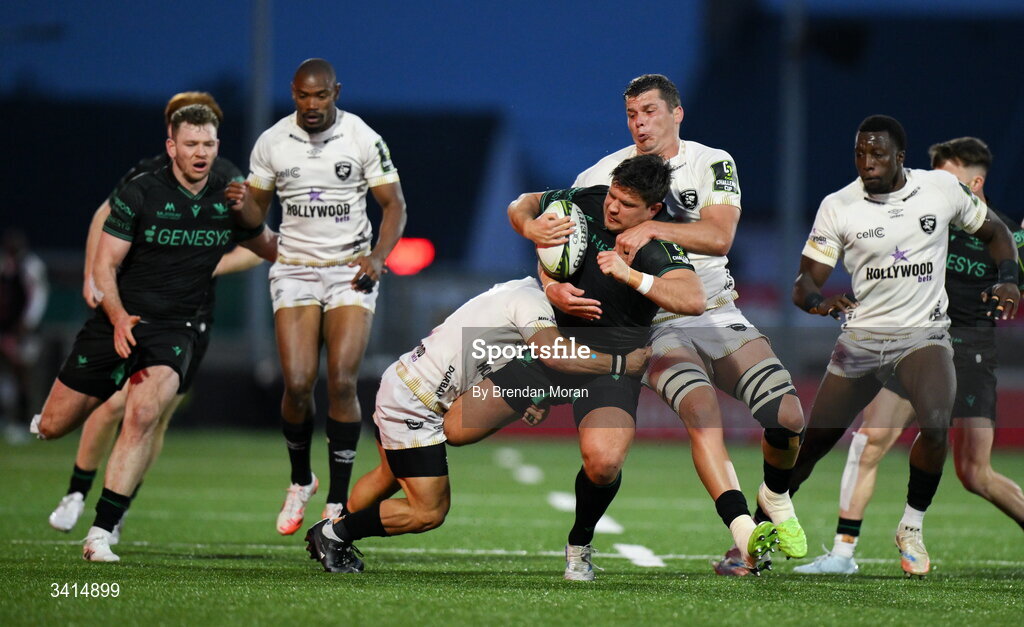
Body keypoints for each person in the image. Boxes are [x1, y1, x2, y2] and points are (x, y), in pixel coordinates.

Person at [563, 74, 805, 574]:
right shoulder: (602, 174)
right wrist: (549, 285)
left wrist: (651, 225)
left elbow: (719, 237)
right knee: (702, 414)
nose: (639, 123)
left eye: (649, 111)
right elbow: (561, 241)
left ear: (677, 113)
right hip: (655, 322)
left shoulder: (711, 161)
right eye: (631, 114)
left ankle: (775, 499)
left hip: (716, 310)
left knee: (788, 419)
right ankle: (744, 535)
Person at [32, 104, 277, 562]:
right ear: (171, 144)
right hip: (120, 318)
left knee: (145, 414)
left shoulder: (231, 190)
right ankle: (74, 487)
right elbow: (105, 257)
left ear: (217, 146)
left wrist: (313, 251)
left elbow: (269, 247)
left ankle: (102, 530)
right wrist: (115, 310)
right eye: (191, 144)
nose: (200, 152)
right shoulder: (142, 188)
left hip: (179, 326)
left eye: (207, 144)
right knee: (54, 426)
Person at [790, 117, 1019, 578]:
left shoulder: (986, 222)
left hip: (970, 349)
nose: (934, 178)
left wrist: (1009, 282)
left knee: (974, 471)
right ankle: (840, 550)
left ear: (972, 183)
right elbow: (811, 278)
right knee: (863, 440)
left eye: (947, 172)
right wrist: (824, 299)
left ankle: (910, 526)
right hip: (905, 342)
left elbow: (1003, 246)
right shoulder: (880, 206)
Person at [304, 277, 650, 573]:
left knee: (387, 475)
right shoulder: (530, 302)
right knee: (428, 512)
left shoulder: (518, 292)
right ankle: (334, 534)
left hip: (407, 382)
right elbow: (554, 353)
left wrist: (534, 399)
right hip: (415, 402)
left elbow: (505, 358)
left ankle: (332, 527)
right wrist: (621, 362)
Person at [501, 154, 725, 581]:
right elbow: (522, 203)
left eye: (626, 203)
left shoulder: (656, 246)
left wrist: (629, 275)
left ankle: (579, 542)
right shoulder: (588, 199)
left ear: (653, 211)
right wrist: (533, 233)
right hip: (552, 344)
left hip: (612, 362)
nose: (613, 207)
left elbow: (693, 298)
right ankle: (344, 523)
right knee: (456, 428)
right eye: (614, 195)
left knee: (604, 462)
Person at [234, 58, 407, 535]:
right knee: (296, 382)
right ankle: (300, 480)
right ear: (293, 94)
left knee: (343, 381)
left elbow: (394, 205)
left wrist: (377, 257)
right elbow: (255, 216)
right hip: (294, 270)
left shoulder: (362, 137)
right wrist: (240, 206)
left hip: (349, 270)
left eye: (322, 95)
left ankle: (336, 499)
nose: (312, 105)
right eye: (304, 96)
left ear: (336, 92)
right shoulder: (271, 141)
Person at [0, 229, 48, 444]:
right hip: (5, 328)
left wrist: (27, 323)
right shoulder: (4, 265)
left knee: (23, 375)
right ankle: (6, 419)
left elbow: (38, 296)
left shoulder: (31, 266)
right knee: (7, 375)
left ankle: (22, 423)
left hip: (23, 330)